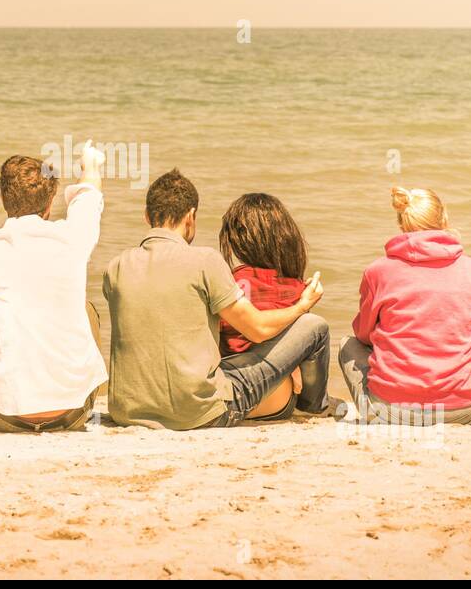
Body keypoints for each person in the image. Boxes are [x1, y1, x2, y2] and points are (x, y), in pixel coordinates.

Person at [104, 169, 334, 430]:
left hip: (127, 410)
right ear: (191, 216)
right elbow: (257, 330)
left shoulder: (115, 267)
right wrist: (303, 305)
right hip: (197, 411)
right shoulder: (204, 261)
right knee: (315, 327)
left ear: (146, 216)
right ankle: (314, 407)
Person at [0, 141, 107, 432]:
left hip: (5, 414)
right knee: (86, 308)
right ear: (50, 203)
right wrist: (90, 163)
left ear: (4, 198)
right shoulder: (72, 237)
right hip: (74, 410)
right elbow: (89, 194)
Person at [340, 187, 471, 426]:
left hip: (389, 411)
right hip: (463, 412)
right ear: (444, 220)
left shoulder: (377, 271)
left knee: (347, 345)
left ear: (402, 224)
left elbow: (364, 335)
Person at [217, 192, 327, 420]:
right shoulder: (295, 289)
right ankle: (315, 406)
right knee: (314, 331)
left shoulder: (226, 284)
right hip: (274, 399)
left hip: (226, 390)